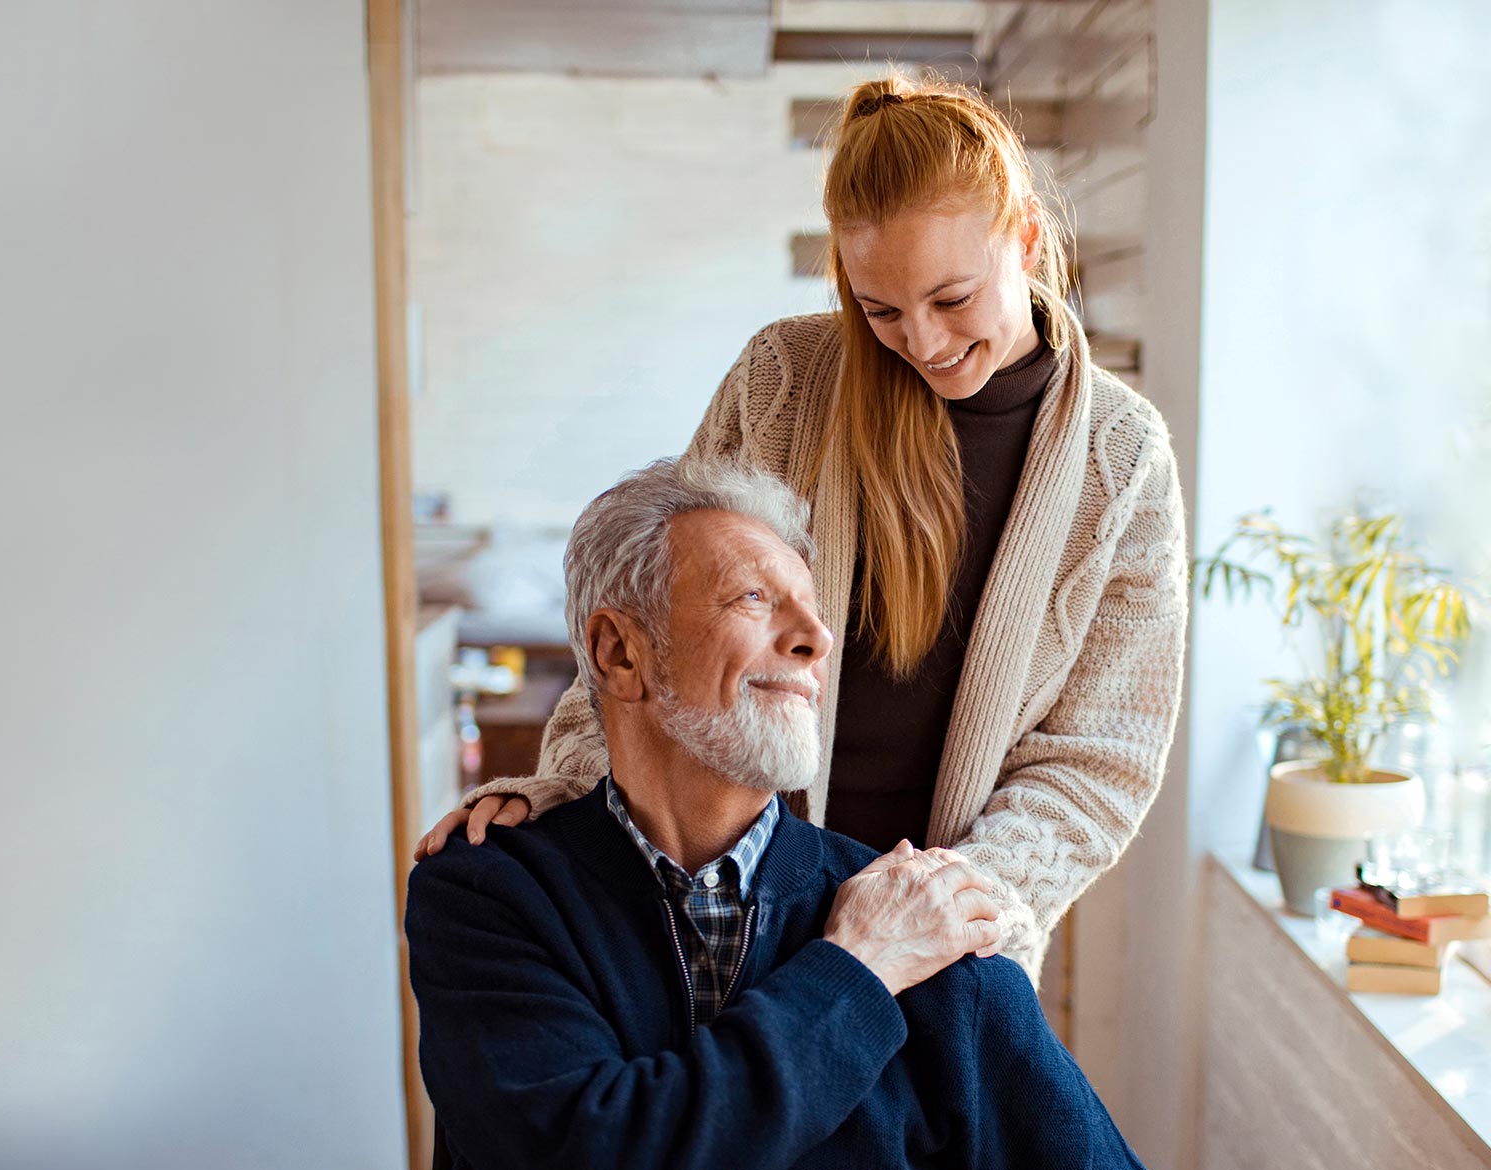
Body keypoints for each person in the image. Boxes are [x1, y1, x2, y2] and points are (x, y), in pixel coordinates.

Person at [415, 72, 1189, 989]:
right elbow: (656, 607)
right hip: (721, 911)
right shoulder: (786, 379)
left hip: (948, 956)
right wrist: (570, 793)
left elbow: (1098, 761)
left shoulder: (1124, 458)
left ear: (1025, 235)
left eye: (951, 299)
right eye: (881, 310)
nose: (924, 343)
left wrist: (940, 905)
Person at [405, 456, 1179, 1170]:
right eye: (754, 598)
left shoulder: (931, 930)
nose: (816, 640)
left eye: (814, 612)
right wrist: (857, 972)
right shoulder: (487, 894)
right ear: (619, 653)